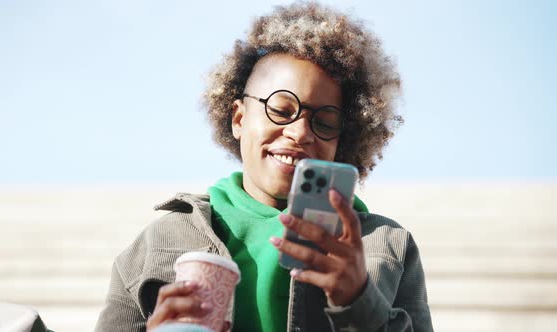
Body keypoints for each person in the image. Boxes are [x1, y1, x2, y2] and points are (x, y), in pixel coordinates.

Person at [95, 2, 433, 331]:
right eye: (281, 110)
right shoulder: (158, 241)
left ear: (342, 140)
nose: (300, 132)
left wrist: (360, 303)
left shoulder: (389, 244)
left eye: (325, 122)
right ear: (239, 119)